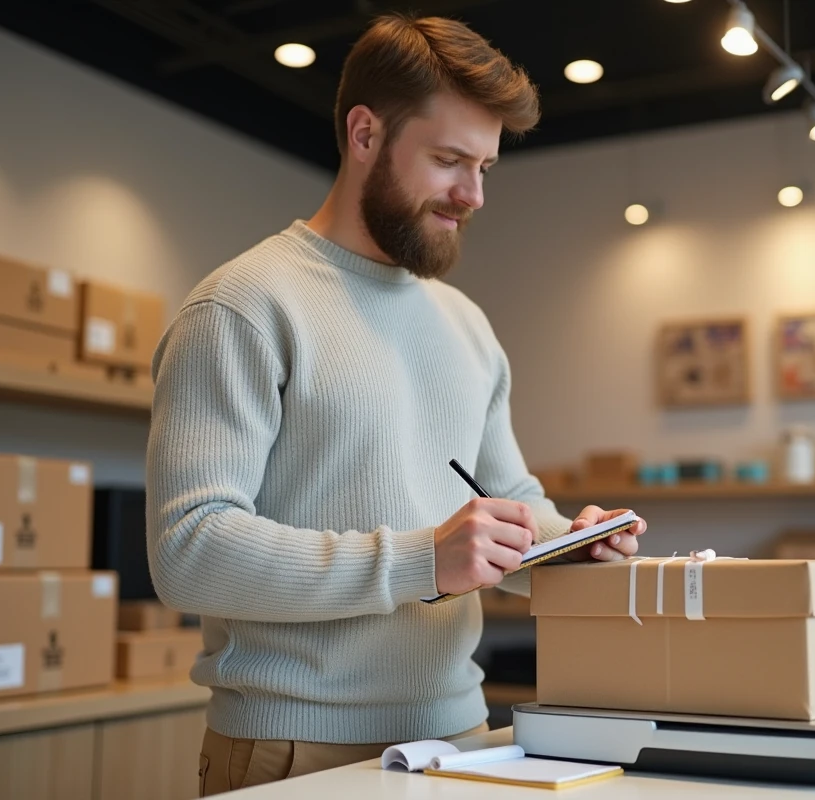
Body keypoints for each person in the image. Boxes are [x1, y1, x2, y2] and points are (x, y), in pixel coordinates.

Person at [145, 12, 648, 796]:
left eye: (485, 167)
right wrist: (421, 562)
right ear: (364, 133)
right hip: (291, 746)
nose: (473, 194)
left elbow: (506, 503)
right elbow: (188, 549)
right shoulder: (243, 306)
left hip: (463, 740)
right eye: (450, 160)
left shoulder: (467, 326)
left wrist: (568, 553)